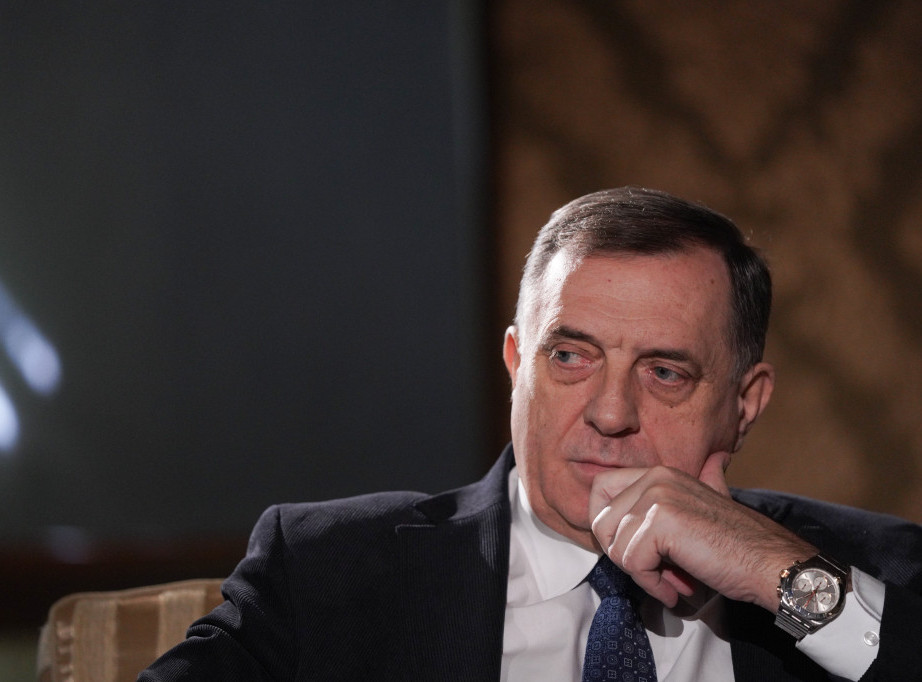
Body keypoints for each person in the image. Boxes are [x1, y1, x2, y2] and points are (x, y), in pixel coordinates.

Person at [139, 187, 922, 681]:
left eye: (664, 372)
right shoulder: (327, 572)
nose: (609, 414)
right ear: (517, 363)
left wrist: (782, 577)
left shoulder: (880, 573)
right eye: (570, 357)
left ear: (745, 404)